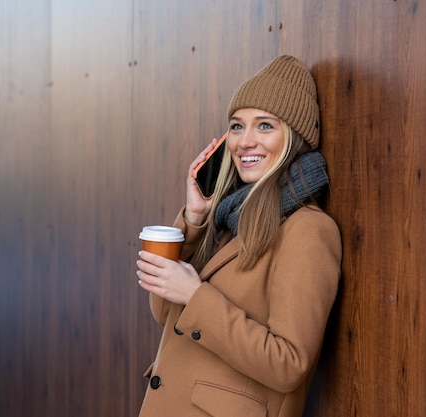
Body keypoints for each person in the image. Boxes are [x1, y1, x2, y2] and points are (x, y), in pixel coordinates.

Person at [136, 55, 342, 417]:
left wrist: (196, 295)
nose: (245, 141)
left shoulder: (308, 230)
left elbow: (288, 363)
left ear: (294, 139)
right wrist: (195, 220)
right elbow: (165, 312)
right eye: (236, 126)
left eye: (265, 126)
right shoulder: (230, 216)